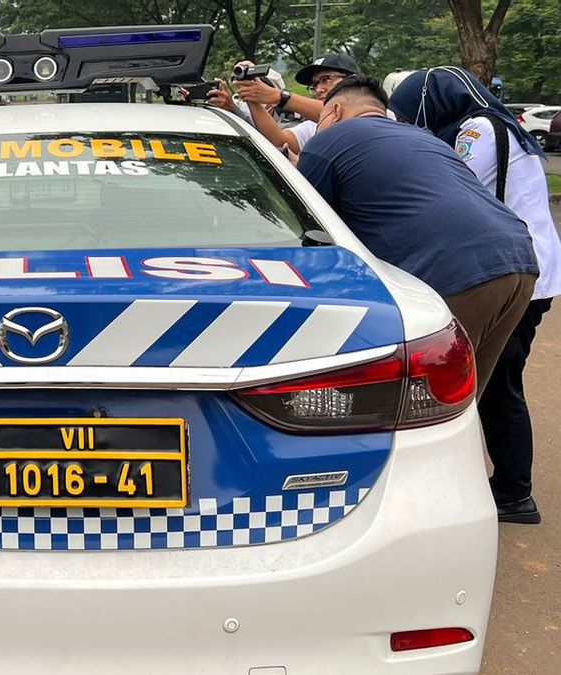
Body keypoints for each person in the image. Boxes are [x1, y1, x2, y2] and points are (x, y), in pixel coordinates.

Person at [390, 68, 561, 524]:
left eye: (411, 114)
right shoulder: (497, 123)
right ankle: (508, 487)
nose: (410, 125)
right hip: (527, 266)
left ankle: (513, 492)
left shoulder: (477, 129)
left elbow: (441, 180)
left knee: (498, 387)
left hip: (512, 268)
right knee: (496, 384)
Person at [297, 76, 538, 398]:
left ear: (335, 111)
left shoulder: (328, 140)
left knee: (423, 406)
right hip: (517, 262)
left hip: (457, 271)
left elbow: (306, 226)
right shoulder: (426, 138)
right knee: (463, 403)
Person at [236, 53, 362, 160]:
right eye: (315, 84)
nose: (318, 89)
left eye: (326, 79)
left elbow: (341, 114)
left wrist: (279, 96)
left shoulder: (369, 116)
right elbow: (278, 141)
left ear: (352, 81)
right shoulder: (313, 126)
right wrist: (251, 95)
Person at [206, 63, 287, 127]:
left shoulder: (286, 128)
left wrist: (234, 109)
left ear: (275, 100)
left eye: (257, 92)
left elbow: (267, 134)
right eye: (245, 89)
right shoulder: (236, 104)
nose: (248, 99)